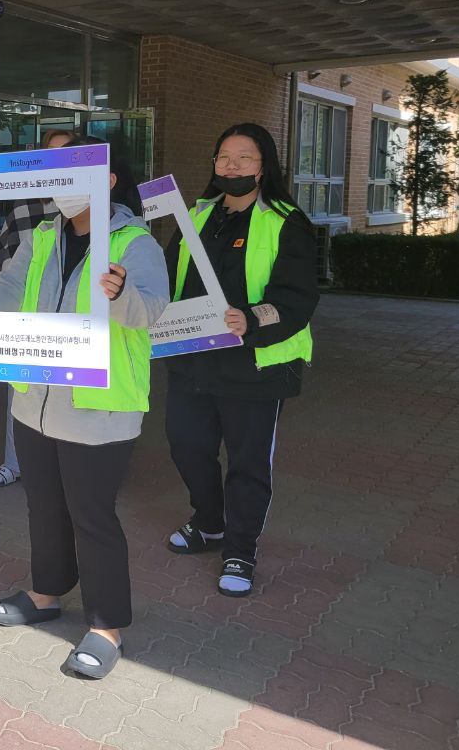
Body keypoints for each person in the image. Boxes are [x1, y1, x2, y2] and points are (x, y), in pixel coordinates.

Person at [0, 137, 169, 681]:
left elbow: (152, 312)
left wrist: (120, 296)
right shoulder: (43, 236)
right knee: (43, 505)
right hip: (35, 401)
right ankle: (47, 592)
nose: (61, 183)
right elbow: (10, 287)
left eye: (75, 170)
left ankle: (107, 625)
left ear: (108, 180)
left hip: (100, 409)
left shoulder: (135, 242)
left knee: (92, 516)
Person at [162, 123, 318, 598]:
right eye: (223, 157)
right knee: (187, 445)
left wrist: (251, 319)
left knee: (248, 463)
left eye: (244, 158)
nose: (231, 166)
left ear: (263, 166)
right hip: (193, 360)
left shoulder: (287, 220)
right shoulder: (197, 214)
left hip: (257, 367)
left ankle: (240, 548)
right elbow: (170, 278)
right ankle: (209, 523)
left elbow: (297, 296)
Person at [0, 127, 75, 488]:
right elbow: (2, 270)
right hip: (27, 323)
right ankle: (14, 462)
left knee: (71, 396)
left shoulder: (104, 215)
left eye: (70, 154)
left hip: (73, 329)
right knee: (20, 392)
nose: (61, 164)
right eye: (53, 156)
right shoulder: (25, 211)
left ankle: (71, 465)